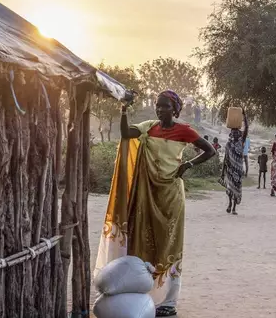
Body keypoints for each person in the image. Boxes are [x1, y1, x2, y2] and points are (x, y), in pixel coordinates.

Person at [95, 90, 215, 317]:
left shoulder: (184, 130)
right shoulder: (149, 127)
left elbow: (210, 151)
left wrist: (188, 164)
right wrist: (123, 110)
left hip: (171, 195)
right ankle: (146, 295)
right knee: (144, 238)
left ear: (175, 109)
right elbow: (124, 133)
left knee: (169, 244)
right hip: (147, 193)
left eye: (165, 106)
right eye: (158, 105)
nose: (160, 109)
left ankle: (169, 301)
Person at [221, 109, 249, 215]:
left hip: (238, 170)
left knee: (236, 189)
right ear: (231, 134)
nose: (236, 134)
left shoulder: (242, 142)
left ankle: (233, 208)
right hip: (230, 169)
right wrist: (222, 172)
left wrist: (244, 117)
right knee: (229, 189)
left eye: (237, 132)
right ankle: (229, 204)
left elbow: (247, 128)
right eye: (234, 132)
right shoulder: (229, 144)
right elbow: (225, 158)